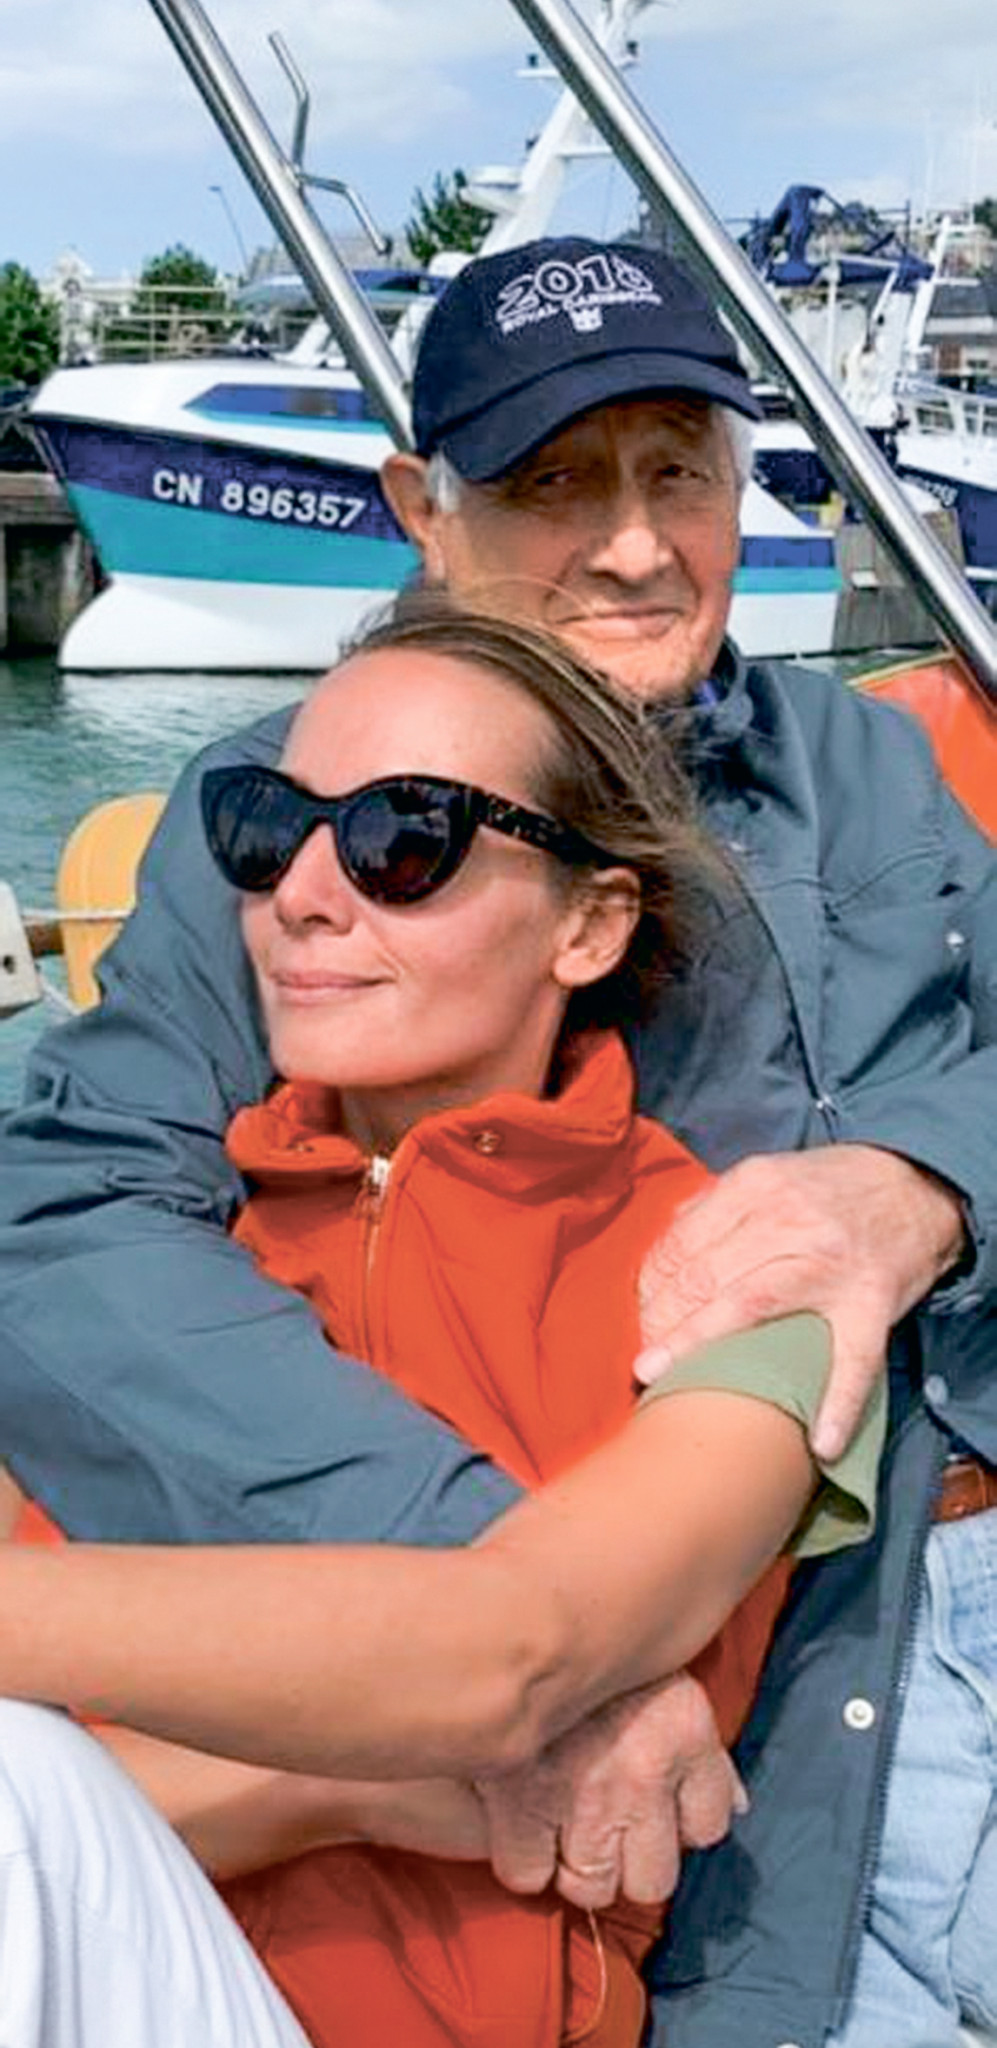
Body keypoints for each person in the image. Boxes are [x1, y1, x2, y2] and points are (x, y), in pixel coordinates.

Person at [0, 232, 994, 2043]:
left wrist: (917, 1181)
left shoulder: (867, 769)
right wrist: (503, 1596)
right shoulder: (290, 832)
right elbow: (68, 1213)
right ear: (422, 513)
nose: (631, 546)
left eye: (676, 473)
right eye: (549, 484)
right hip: (719, 1644)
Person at [0, 601, 872, 2048]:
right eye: (267, 828)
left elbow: (522, 1670)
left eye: (405, 838)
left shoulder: (734, 1282)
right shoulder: (147, 1283)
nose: (304, 894)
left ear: (588, 923)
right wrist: (346, 1785)